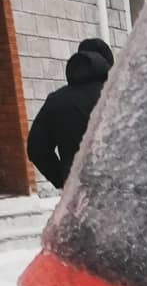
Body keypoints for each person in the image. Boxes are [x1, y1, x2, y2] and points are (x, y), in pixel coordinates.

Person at [25, 46, 111, 189]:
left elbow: (36, 148)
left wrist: (62, 179)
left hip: (78, 190)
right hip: (122, 191)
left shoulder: (57, 101)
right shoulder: (120, 95)